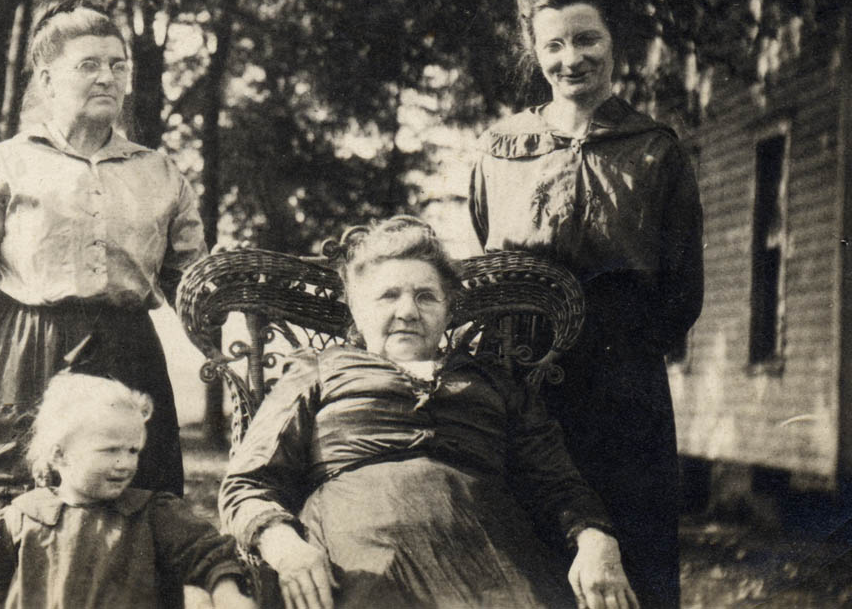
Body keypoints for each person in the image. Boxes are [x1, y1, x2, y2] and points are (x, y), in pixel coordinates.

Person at [0, 0, 208, 609]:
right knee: (12, 509)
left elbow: (195, 287)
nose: (108, 78)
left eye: (118, 66)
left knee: (132, 506)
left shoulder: (159, 172)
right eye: (89, 65)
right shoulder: (4, 165)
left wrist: (235, 351)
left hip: (128, 358)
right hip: (22, 356)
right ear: (46, 79)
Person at [219, 216, 640, 609]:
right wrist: (286, 548)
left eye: (425, 296)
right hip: (359, 557)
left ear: (448, 309)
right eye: (388, 296)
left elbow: (557, 482)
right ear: (356, 309)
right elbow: (247, 483)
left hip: (489, 557)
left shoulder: (490, 380)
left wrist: (595, 540)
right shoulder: (320, 370)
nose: (407, 311)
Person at [468, 0, 704, 609]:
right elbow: (488, 267)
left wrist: (618, 353)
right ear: (534, 51)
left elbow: (683, 292)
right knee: (533, 573)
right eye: (554, 45)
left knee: (633, 574)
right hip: (525, 398)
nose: (572, 58)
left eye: (586, 39)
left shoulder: (657, 151)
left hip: (624, 400)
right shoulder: (500, 152)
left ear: (612, 41)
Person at [0, 372, 254, 609]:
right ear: (60, 455)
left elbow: (208, 553)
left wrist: (227, 593)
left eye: (133, 450)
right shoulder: (21, 519)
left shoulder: (153, 513)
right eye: (110, 450)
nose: (125, 463)